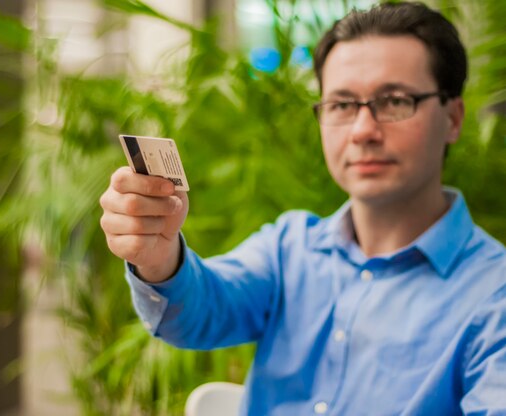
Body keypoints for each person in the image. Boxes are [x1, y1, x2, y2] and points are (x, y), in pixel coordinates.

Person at [99, 1, 506, 414]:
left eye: (396, 101)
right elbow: (195, 313)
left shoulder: (495, 294)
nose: (363, 130)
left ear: (453, 118)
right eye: (343, 105)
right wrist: (158, 256)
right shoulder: (289, 248)